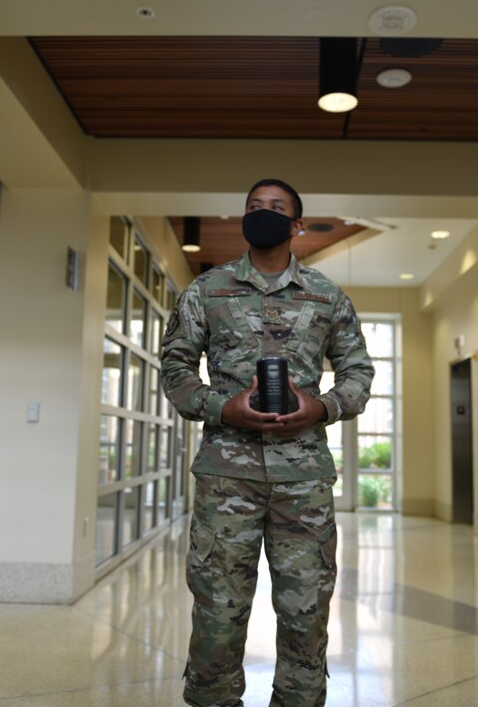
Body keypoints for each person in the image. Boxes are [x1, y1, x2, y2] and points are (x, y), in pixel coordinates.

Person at [162, 179, 374, 707]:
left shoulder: (326, 296)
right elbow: (175, 367)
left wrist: (321, 407)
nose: (263, 214)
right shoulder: (207, 290)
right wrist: (221, 406)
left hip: (302, 479)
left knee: (306, 613)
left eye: (276, 209)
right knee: (217, 610)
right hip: (226, 476)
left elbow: (358, 373)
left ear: (297, 225)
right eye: (254, 207)